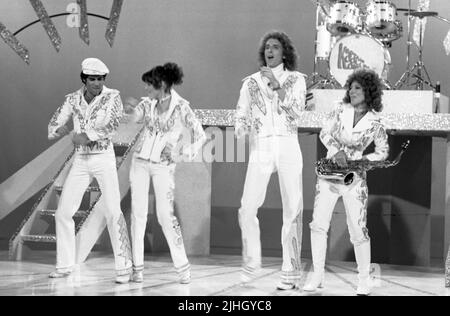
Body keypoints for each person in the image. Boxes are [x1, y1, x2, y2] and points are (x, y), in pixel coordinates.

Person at [303, 69, 389, 296]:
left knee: (358, 230)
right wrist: (338, 150)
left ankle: (363, 280)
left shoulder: (376, 121)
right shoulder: (339, 108)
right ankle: (317, 276)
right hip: (330, 173)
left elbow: (382, 152)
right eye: (350, 87)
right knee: (318, 224)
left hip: (355, 179)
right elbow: (324, 133)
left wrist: (361, 159)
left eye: (357, 88)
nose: (352, 91)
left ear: (369, 91)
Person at [48, 58, 132, 284]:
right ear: (84, 79)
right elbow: (53, 125)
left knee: (113, 210)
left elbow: (113, 124)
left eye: (101, 79)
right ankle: (65, 265)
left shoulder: (112, 96)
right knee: (63, 212)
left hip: (104, 158)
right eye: (93, 79)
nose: (97, 83)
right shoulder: (73, 99)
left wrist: (86, 135)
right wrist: (65, 129)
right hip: (81, 160)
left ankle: (124, 268)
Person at [234, 31, 307, 290]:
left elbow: (297, 112)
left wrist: (279, 86)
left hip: (287, 143)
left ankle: (289, 272)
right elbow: (241, 113)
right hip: (262, 145)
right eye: (267, 47)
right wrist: (241, 129)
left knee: (292, 209)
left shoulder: (297, 80)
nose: (270, 51)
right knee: (247, 207)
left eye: (275, 47)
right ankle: (252, 262)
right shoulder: (251, 82)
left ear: (285, 51)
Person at [124, 62, 206, 284]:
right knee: (138, 216)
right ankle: (137, 269)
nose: (145, 90)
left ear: (161, 84)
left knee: (165, 217)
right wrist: (132, 110)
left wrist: (181, 151)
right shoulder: (147, 103)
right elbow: (134, 115)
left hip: (163, 166)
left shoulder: (181, 107)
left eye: (149, 85)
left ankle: (183, 268)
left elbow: (200, 136)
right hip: (139, 162)